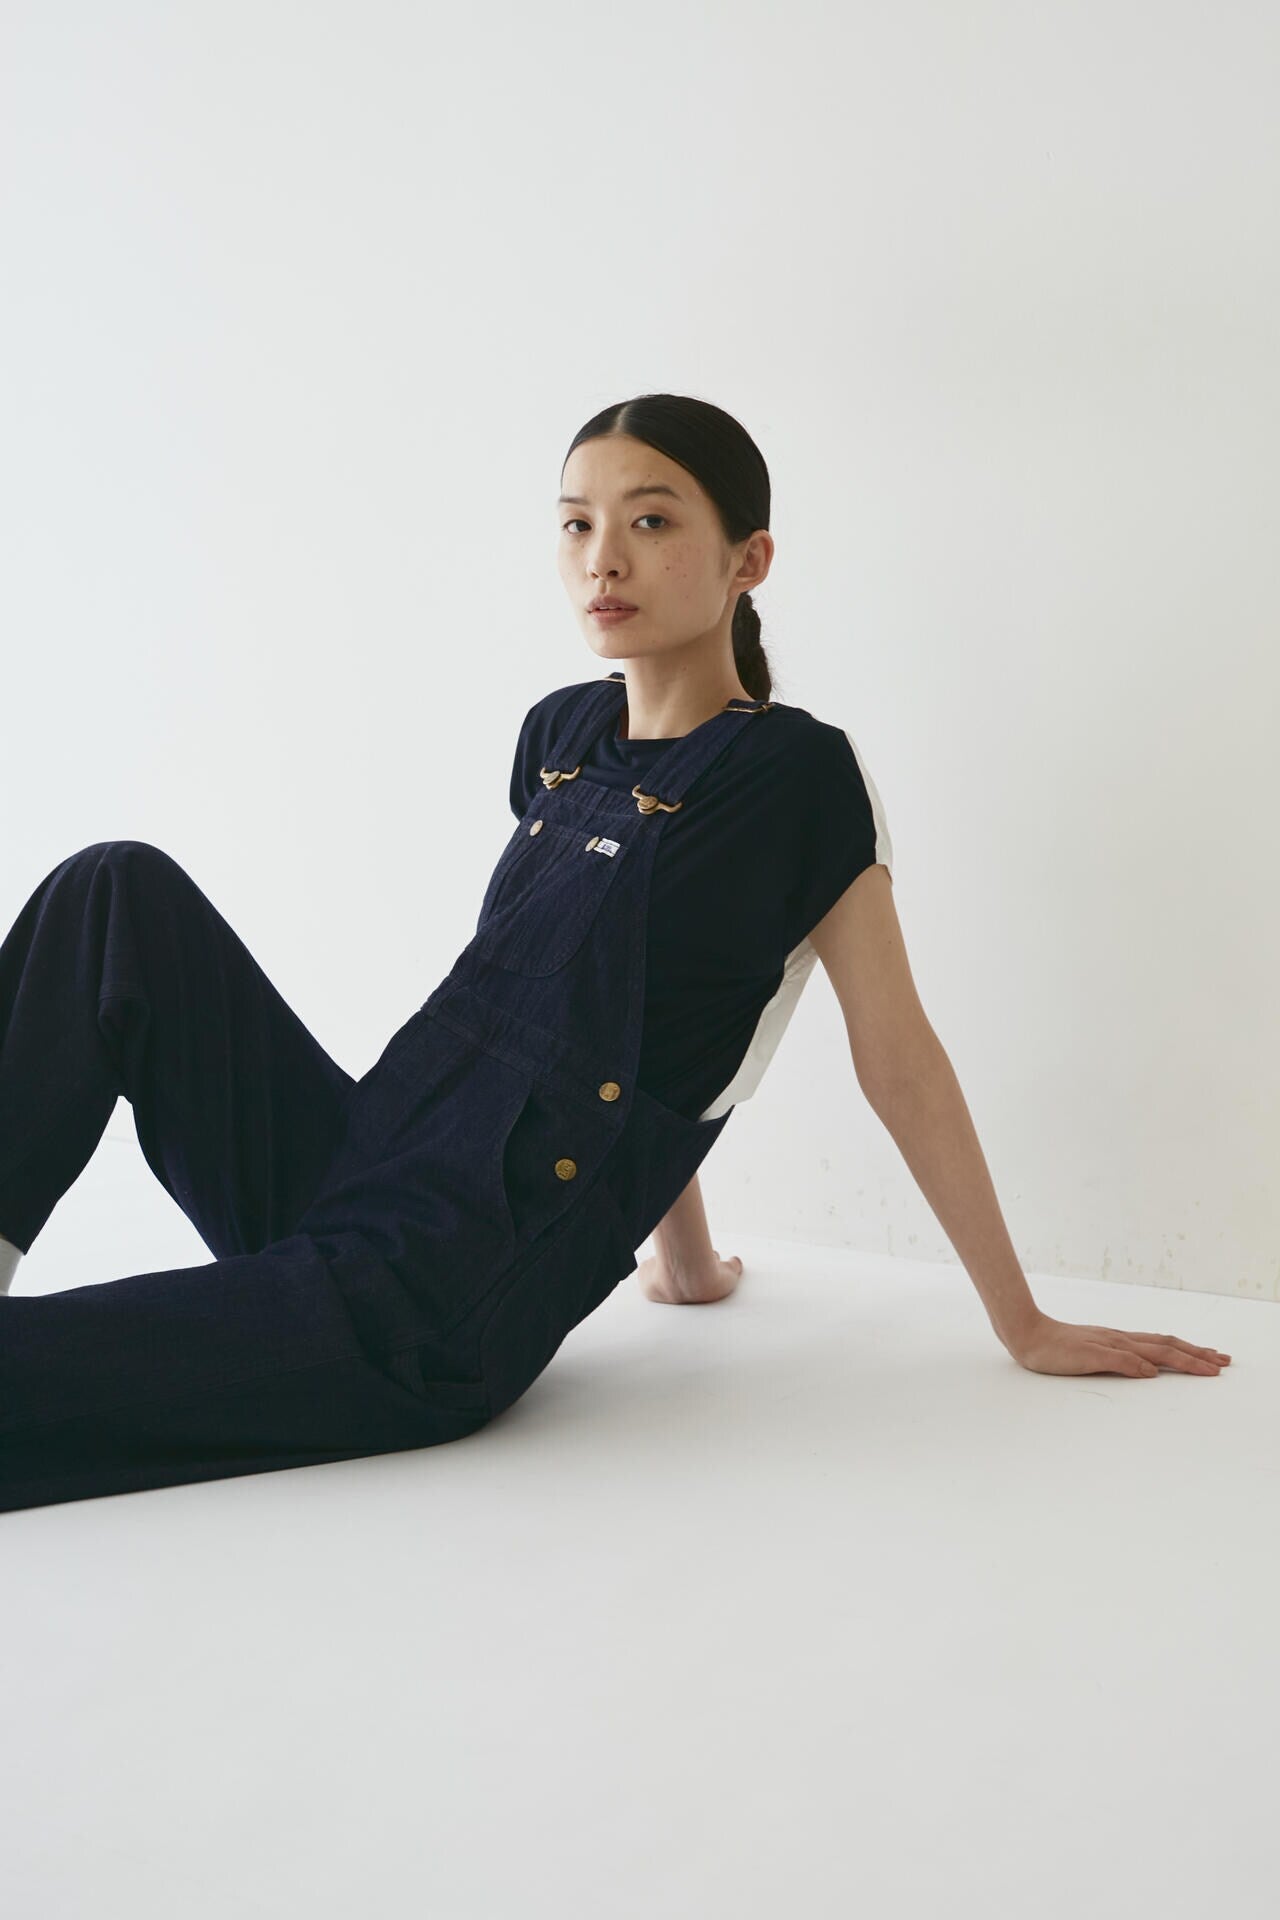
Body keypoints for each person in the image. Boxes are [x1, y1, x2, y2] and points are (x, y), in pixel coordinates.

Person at [0, 393, 1230, 1512]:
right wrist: (682, 1264)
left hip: (430, 1298)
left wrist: (1020, 1322)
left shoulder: (796, 778)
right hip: (354, 1165)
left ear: (748, 560)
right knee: (114, 891)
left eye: (650, 521)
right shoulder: (560, 733)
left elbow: (893, 1059)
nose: (603, 559)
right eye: (576, 524)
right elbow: (592, 1001)